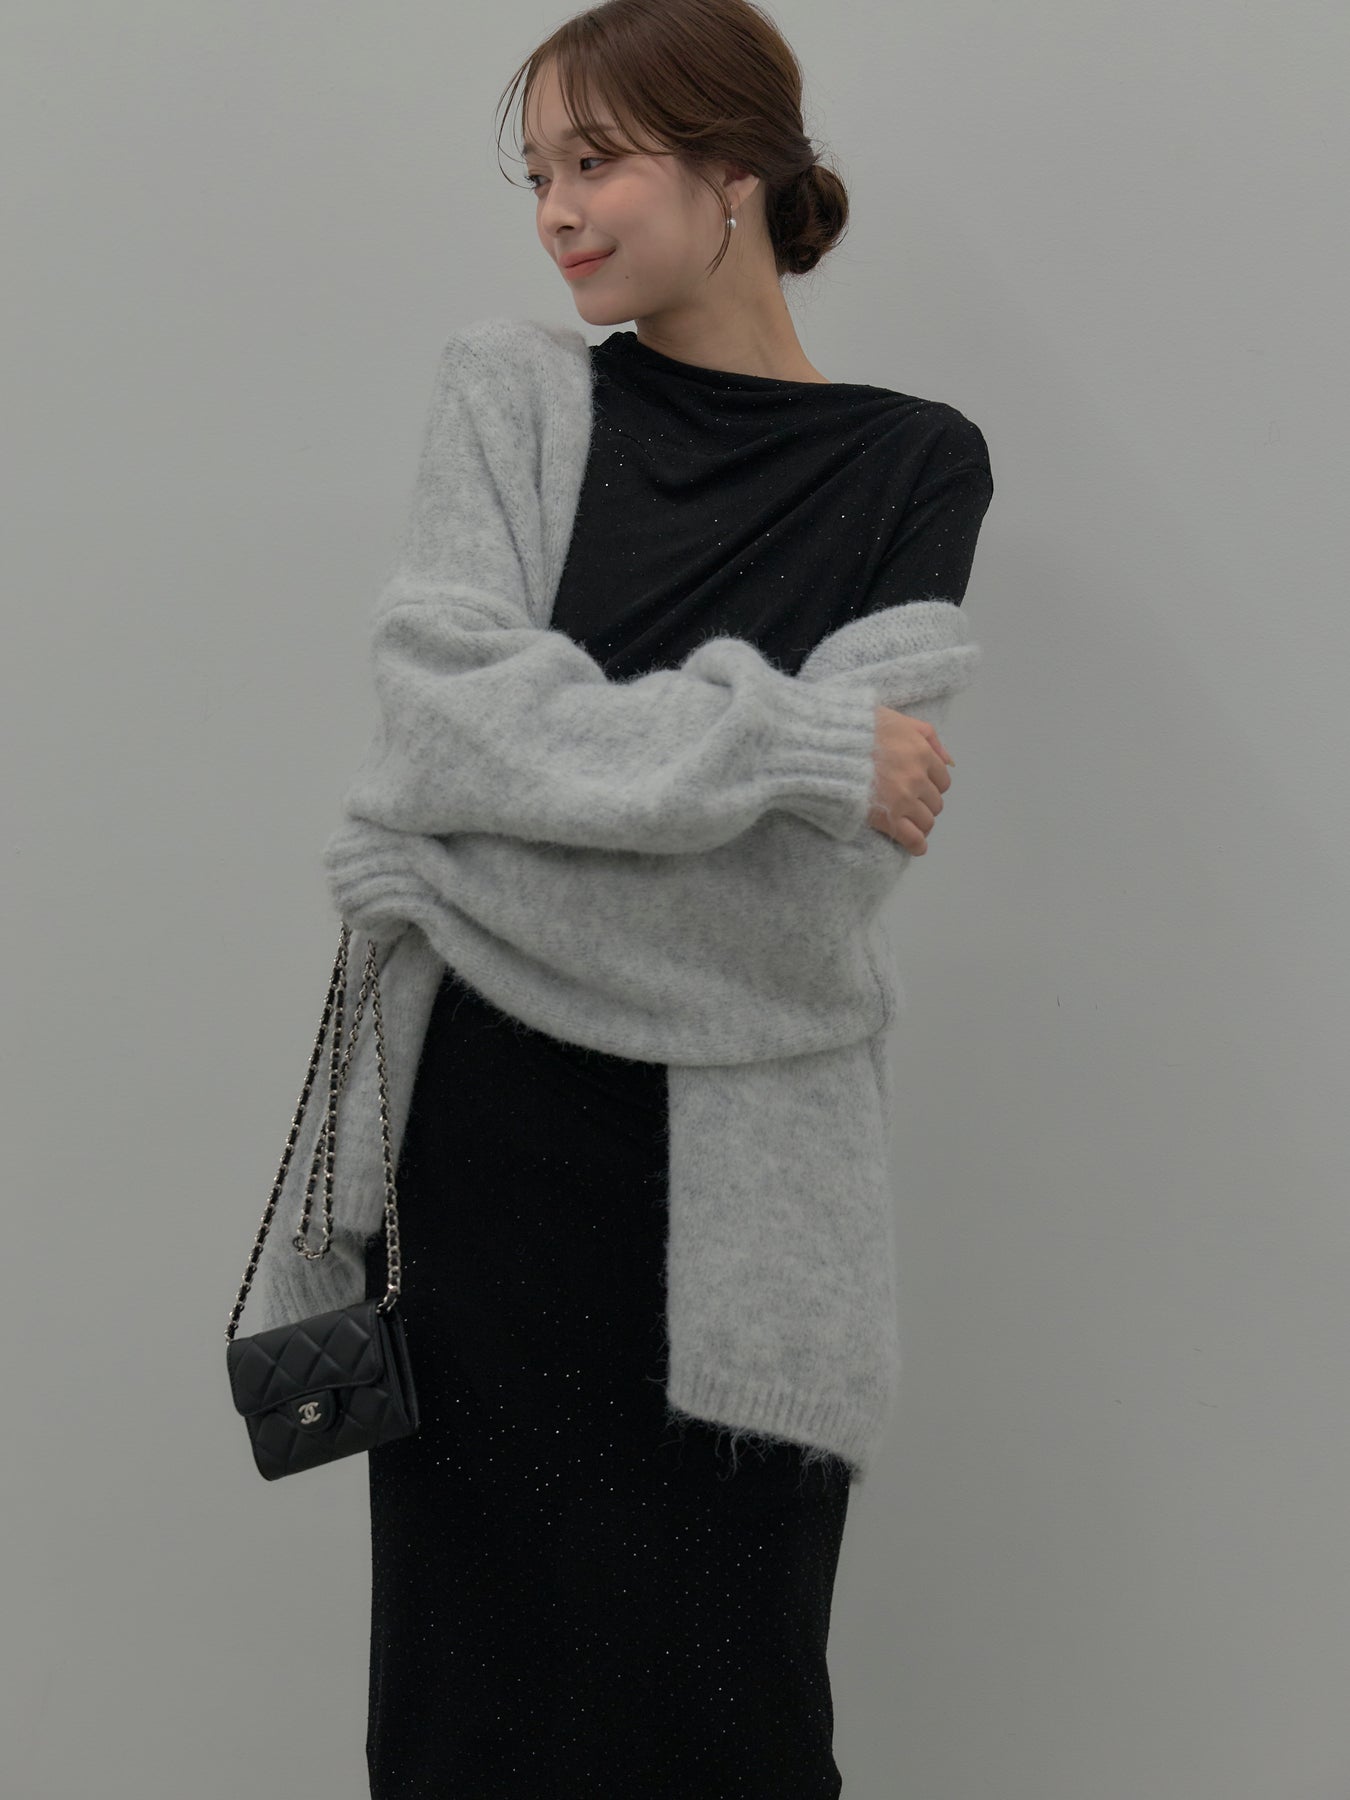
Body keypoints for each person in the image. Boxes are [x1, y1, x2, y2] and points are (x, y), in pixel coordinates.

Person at [361, 3, 993, 1794]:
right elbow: (437, 727)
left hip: (750, 1188)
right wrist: (794, 743)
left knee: (728, 1705)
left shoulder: (910, 461)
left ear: (737, 174)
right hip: (491, 1156)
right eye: (537, 173)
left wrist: (500, 851)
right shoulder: (516, 394)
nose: (556, 211)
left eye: (596, 161)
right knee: (475, 1704)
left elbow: (803, 903)